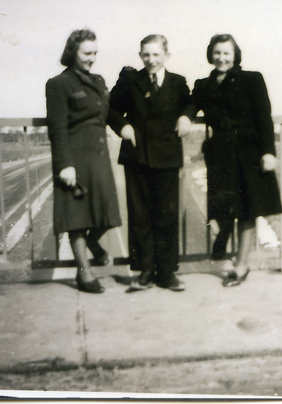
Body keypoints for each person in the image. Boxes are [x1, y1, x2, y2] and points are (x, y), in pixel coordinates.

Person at [192, 34, 282, 287]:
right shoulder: (203, 85)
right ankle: (223, 231)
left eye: (226, 53)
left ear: (235, 55)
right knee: (221, 207)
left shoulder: (252, 79)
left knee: (247, 210)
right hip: (220, 154)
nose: (221, 57)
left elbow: (264, 118)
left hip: (248, 153)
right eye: (217, 52)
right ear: (211, 54)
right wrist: (184, 117)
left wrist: (268, 152)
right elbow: (190, 105)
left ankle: (241, 266)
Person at [109, 35, 196, 292]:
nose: (151, 60)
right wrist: (122, 125)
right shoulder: (130, 80)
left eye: (156, 54)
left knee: (167, 215)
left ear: (166, 56)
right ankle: (145, 270)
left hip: (167, 157)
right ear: (140, 56)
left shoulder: (177, 82)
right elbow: (110, 109)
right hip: (137, 156)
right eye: (146, 54)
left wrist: (186, 116)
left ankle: (167, 273)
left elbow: (191, 102)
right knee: (140, 215)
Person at [46, 29, 122, 293]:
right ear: (72, 53)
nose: (92, 58)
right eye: (86, 53)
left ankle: (93, 244)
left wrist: (125, 128)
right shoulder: (58, 83)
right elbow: (57, 129)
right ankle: (84, 274)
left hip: (99, 157)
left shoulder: (99, 81)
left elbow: (110, 114)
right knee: (77, 217)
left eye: (95, 53)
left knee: (106, 213)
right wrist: (65, 164)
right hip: (75, 159)